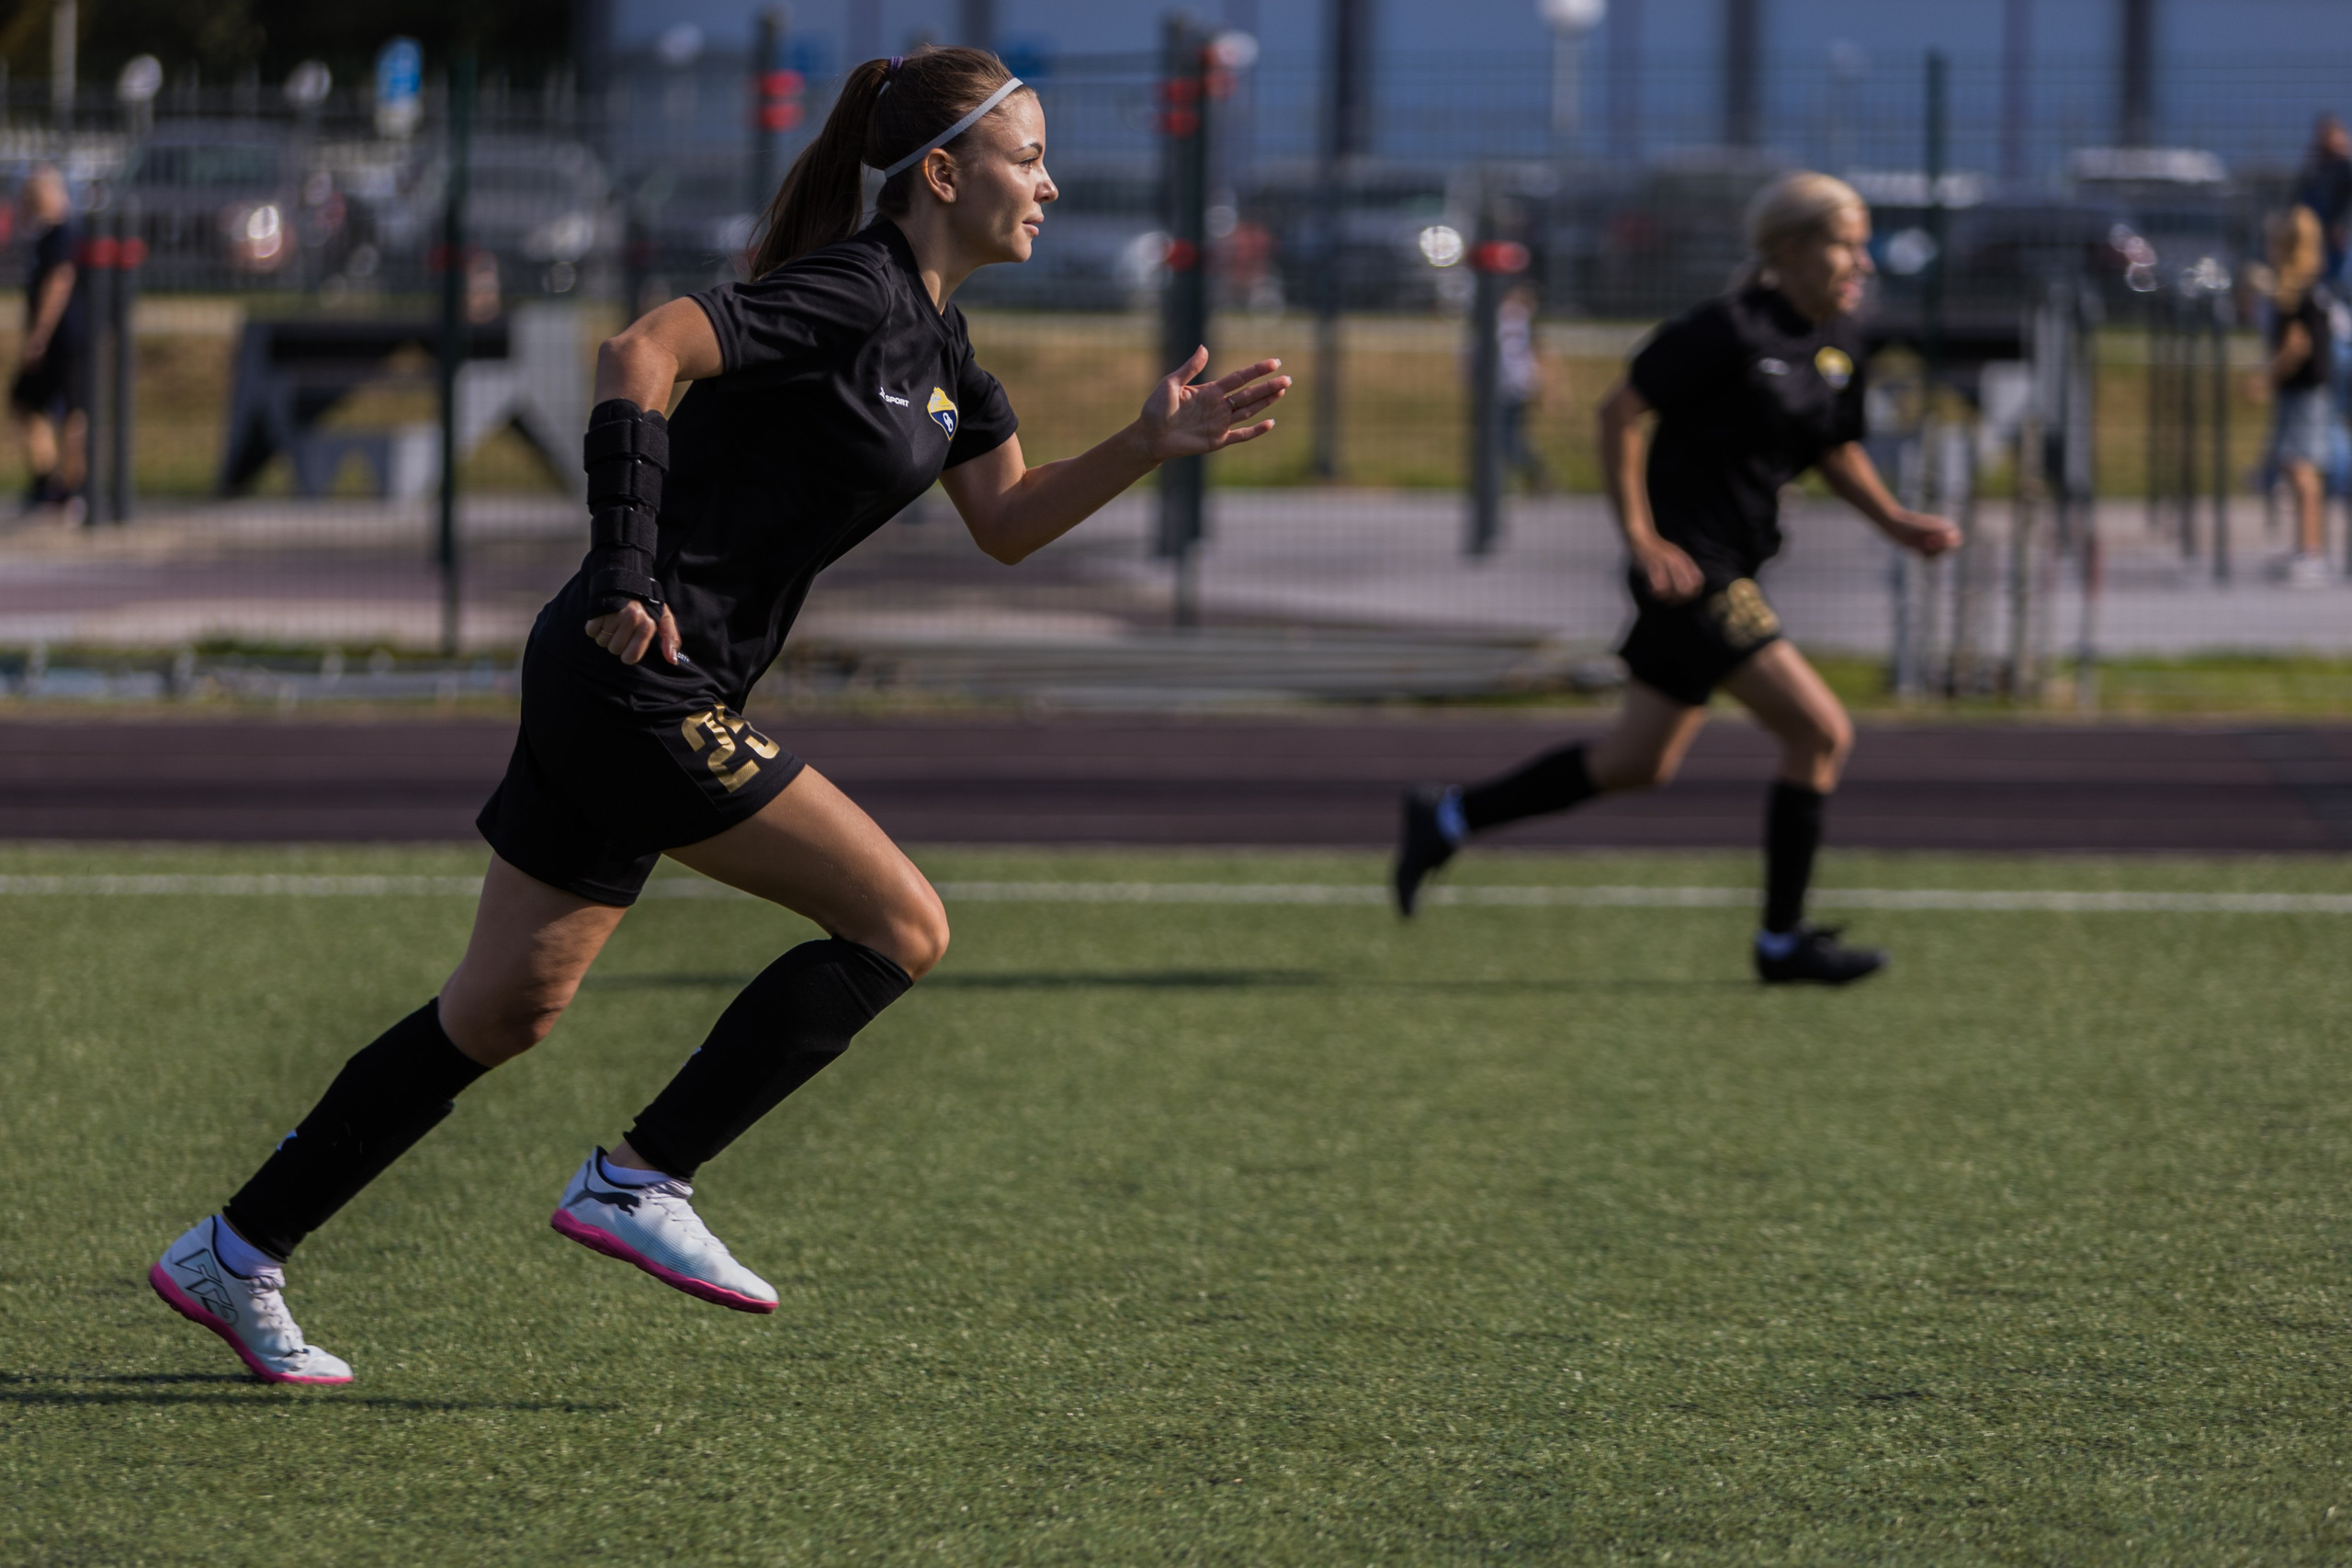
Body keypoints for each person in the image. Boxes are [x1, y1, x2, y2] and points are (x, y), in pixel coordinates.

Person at [147, 46, 1290, 1385]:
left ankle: (233, 1248)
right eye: (1026, 156)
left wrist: (1146, 447)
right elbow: (642, 351)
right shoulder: (855, 288)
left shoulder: (946, 351)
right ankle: (642, 1176)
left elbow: (1009, 521)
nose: (1049, 182)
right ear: (941, 171)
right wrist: (627, 560)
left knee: (502, 1009)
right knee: (901, 922)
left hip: (626, 681)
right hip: (632, 667)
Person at [1393, 172, 1961, 986]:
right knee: (1819, 731)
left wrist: (1897, 522)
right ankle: (1782, 941)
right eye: (1847, 243)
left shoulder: (1841, 340)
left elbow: (1834, 448)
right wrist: (1641, 536)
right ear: (1791, 249)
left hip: (1730, 569)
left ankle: (1446, 816)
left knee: (1636, 761)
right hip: (1693, 575)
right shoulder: (1724, 330)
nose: (1861, 262)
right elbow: (1620, 411)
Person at [2260, 206, 2336, 587]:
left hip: (2303, 390)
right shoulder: (2311, 287)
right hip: (2308, 389)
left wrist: (2266, 378)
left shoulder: (2295, 291)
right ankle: (2304, 550)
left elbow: (2298, 344)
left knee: (2301, 468)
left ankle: (2311, 554)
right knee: (2297, 468)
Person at [9, 165, 86, 522]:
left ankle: (74, 490)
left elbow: (60, 281)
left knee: (72, 413)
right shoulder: (43, 237)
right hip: (54, 339)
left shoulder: (61, 234)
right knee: (25, 401)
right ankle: (48, 480)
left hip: (66, 337)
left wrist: (40, 334)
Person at [1496, 281, 1551, 492]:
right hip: (1511, 386)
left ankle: (1534, 474)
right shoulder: (1519, 319)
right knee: (1504, 438)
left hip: (1512, 388)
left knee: (1506, 439)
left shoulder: (1509, 317)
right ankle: (1508, 481)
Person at [2295, 115, 2352, 284]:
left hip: (2336, 235)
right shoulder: (2316, 165)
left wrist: (2342, 224)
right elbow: (2301, 193)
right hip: (2314, 232)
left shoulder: (2345, 167)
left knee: (2335, 276)